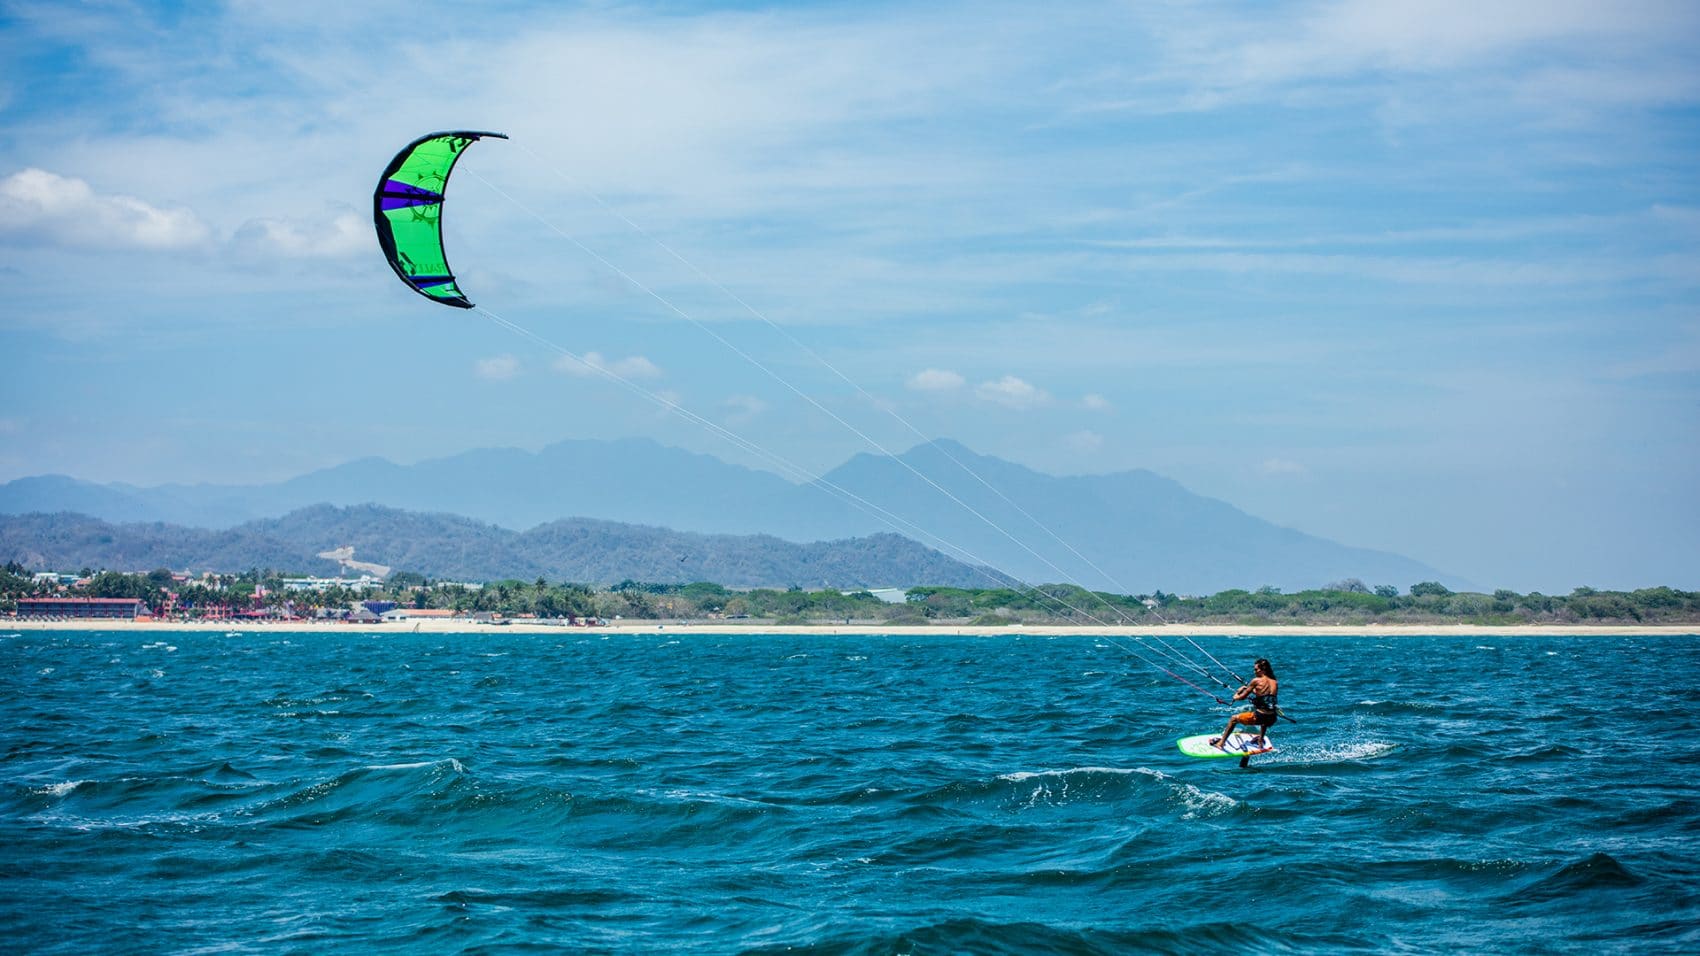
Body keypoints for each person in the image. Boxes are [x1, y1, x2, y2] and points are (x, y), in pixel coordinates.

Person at [1211, 658, 1279, 748]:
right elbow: (1264, 695)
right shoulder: (1274, 682)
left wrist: (1235, 696)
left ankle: (1221, 743)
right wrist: (1245, 687)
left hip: (1260, 717)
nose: (1254, 671)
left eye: (1256, 669)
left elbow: (1242, 697)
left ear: (1263, 669)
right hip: (1272, 718)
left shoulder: (1256, 680)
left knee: (1233, 719)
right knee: (1265, 717)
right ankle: (1260, 740)